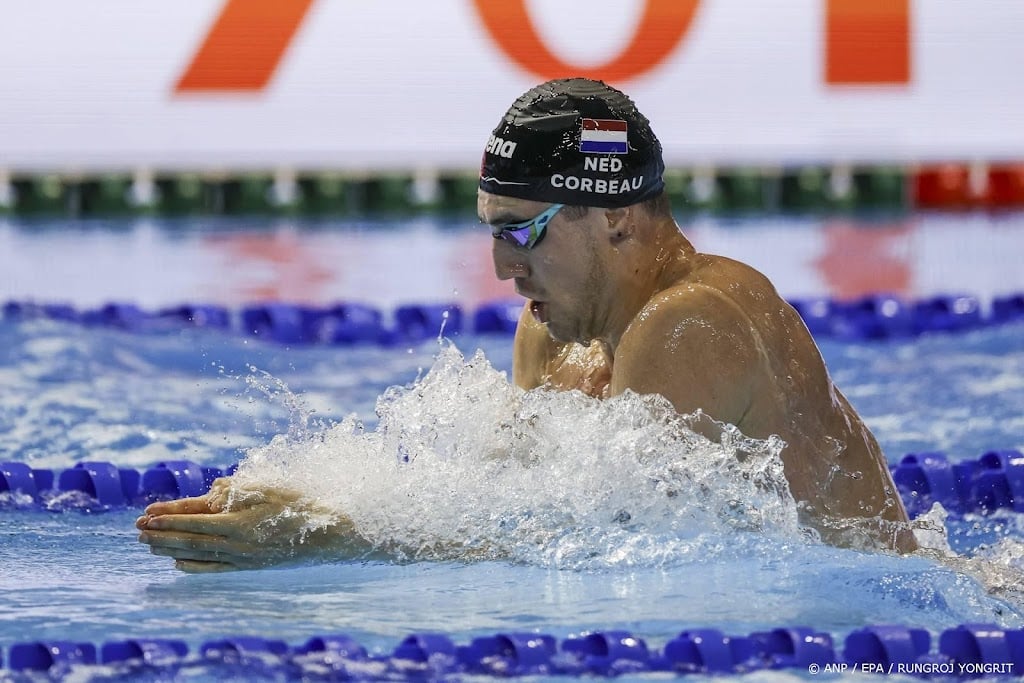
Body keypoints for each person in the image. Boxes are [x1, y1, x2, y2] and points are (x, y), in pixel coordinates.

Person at [137, 78, 916, 572]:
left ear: (611, 219)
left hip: (874, 628)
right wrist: (297, 495)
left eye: (520, 232)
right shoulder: (553, 334)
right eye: (491, 232)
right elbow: (503, 501)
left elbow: (592, 543)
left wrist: (317, 534)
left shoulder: (693, 322)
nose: (503, 271)